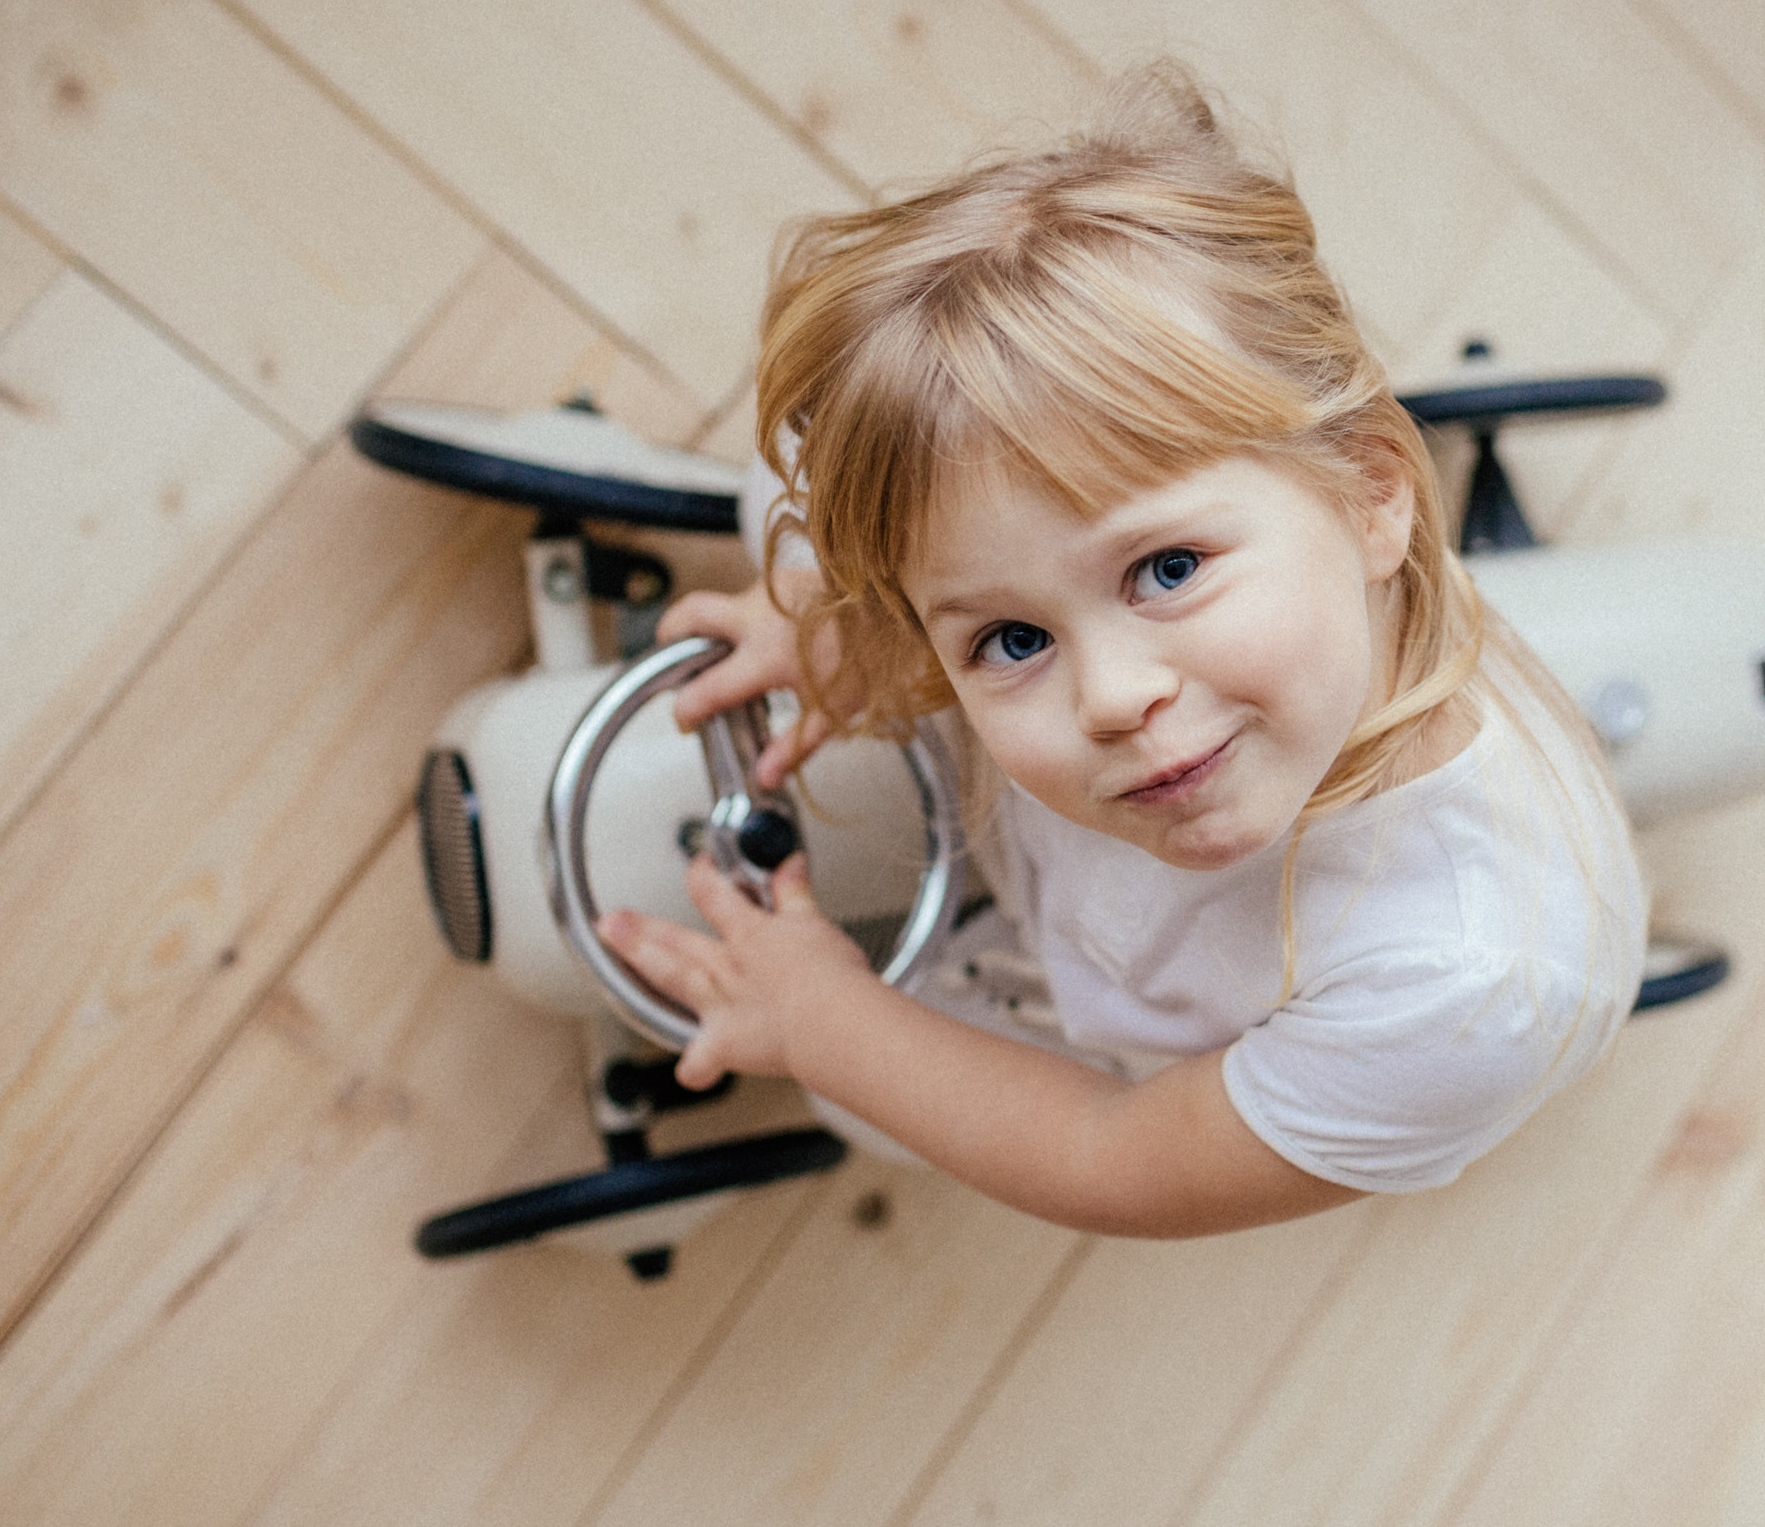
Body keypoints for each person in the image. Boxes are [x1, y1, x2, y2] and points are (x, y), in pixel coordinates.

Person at [594, 65, 1645, 1238]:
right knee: (820, 463)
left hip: (1147, 1001)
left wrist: (823, 1023)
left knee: (874, 1103)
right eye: (1012, 634)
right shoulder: (1228, 653)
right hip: (1105, 827)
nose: (1112, 698)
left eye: (1169, 571)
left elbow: (1116, 1158)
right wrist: (834, 623)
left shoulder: (1462, 986)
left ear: (1369, 496)